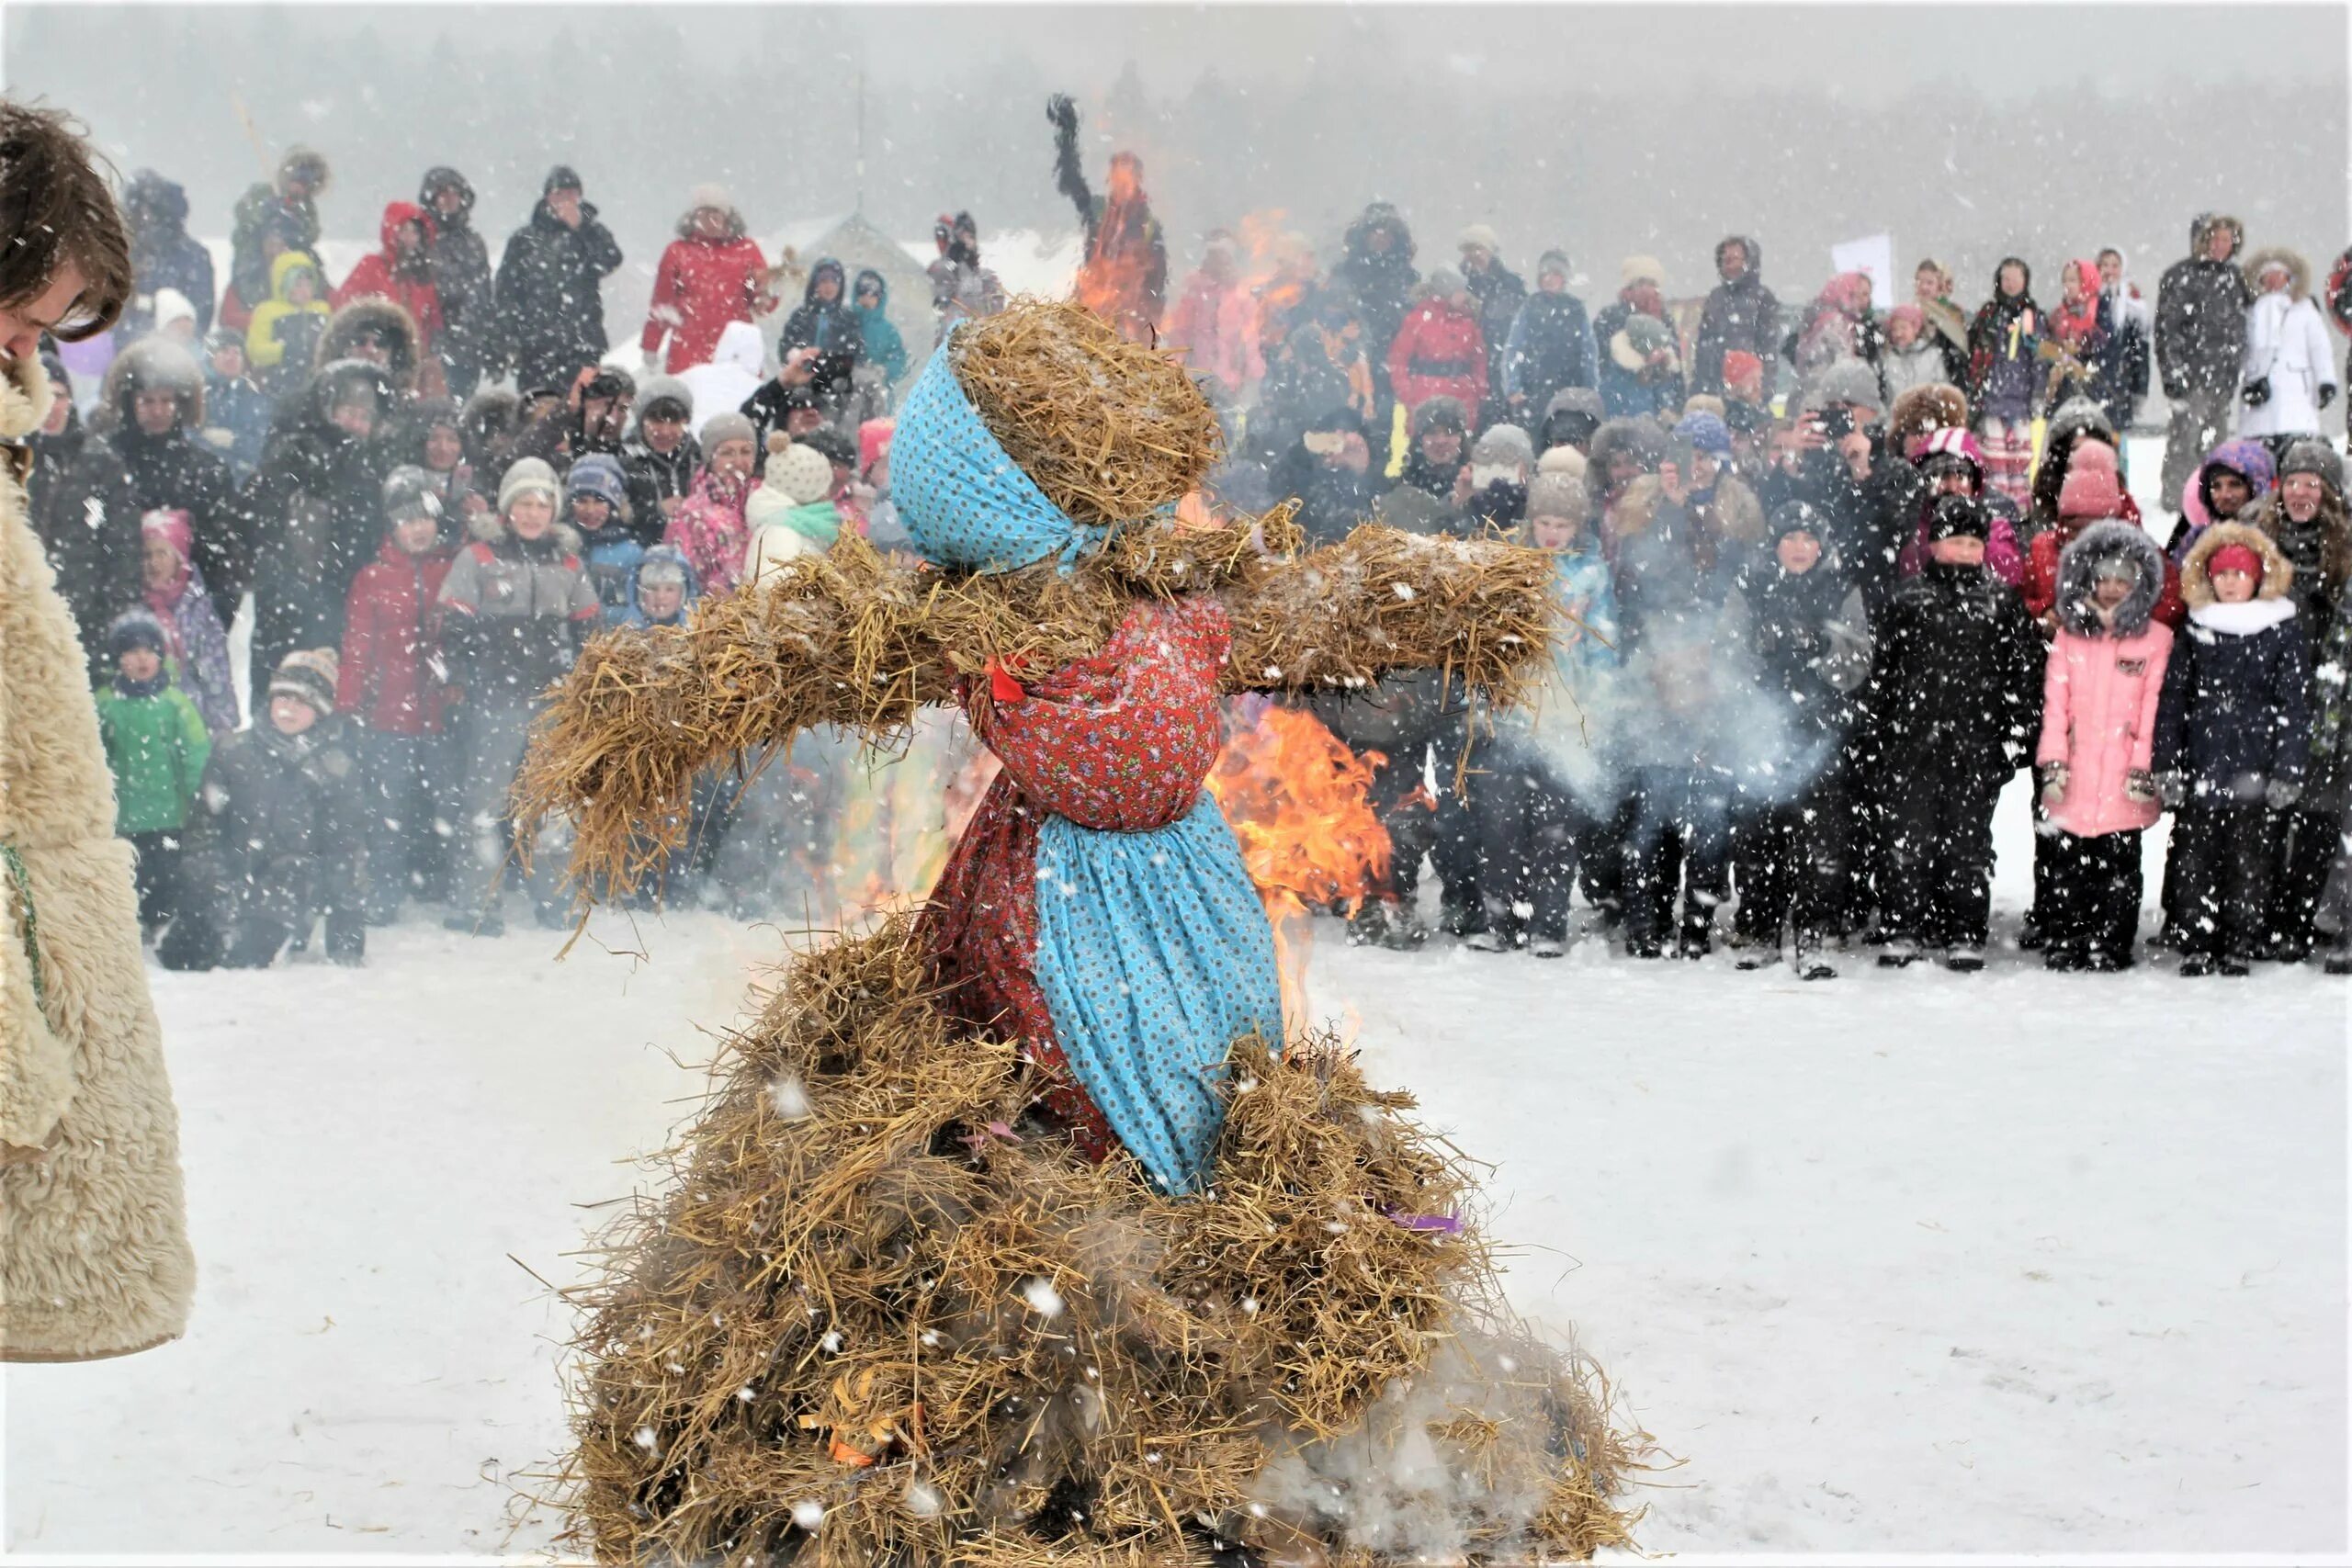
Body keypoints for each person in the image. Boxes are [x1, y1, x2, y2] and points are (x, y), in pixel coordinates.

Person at [1853, 494, 2042, 970]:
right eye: (1955, 542)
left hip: (1976, 748)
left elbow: (2023, 675)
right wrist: (1877, 731)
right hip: (1911, 743)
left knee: (1968, 844)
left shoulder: (2001, 603)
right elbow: (1882, 674)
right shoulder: (1906, 600)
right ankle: (1905, 925)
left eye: (1973, 543)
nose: (1965, 551)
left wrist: (2014, 737)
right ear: (1934, 546)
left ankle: (1964, 928)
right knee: (1907, 841)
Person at [436, 457, 598, 934]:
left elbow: (589, 626)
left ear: (554, 512)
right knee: (484, 805)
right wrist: (467, 676)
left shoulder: (568, 562)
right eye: (523, 504)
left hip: (552, 700)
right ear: (507, 508)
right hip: (495, 699)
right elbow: (453, 625)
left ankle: (555, 901)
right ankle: (477, 904)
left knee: (551, 804)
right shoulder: (479, 557)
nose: (532, 514)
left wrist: (582, 681)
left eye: (541, 505)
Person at [1467, 469, 1618, 956]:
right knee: (1500, 824)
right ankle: (1500, 922)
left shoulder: (1591, 575)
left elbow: (1602, 645)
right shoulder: (1506, 563)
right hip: (1510, 716)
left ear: (1578, 526)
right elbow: (1479, 640)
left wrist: (1597, 706)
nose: (1553, 533)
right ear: (1532, 520)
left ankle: (1548, 925)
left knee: (1555, 827)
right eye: (1545, 521)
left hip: (1562, 719)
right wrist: (1481, 701)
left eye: (1563, 524)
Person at [2154, 525, 2308, 976]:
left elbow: (2294, 705)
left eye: (2240, 574)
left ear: (2258, 578)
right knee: (2194, 856)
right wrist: (2167, 765)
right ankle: (2198, 936)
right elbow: (2173, 702)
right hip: (2203, 760)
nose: (2230, 582)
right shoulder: (2196, 627)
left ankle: (2241, 937)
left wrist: (2288, 768)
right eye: (2222, 574)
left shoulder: (2280, 629)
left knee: (2250, 858)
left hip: (2255, 766)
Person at [1726, 501, 1870, 978]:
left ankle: (1817, 934)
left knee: (1821, 839)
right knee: (1756, 836)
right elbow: (1727, 653)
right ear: (1775, 543)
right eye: (1789, 538)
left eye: (1808, 539)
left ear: (1822, 545)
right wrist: (1759, 655)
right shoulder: (1750, 585)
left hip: (1821, 733)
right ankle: (1759, 928)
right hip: (1760, 730)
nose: (1798, 548)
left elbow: (1857, 663)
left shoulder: (1841, 589)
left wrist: (1820, 651)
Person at [162, 648, 368, 970]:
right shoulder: (233, 751)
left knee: (246, 956)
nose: (289, 709)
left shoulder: (335, 768)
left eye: (301, 703)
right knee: (184, 956)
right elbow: (204, 827)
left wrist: (347, 936)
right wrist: (209, 878)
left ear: (321, 710)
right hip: (229, 870)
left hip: (290, 883)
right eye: (283, 699)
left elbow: (345, 850)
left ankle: (273, 933)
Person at [2034, 522, 2175, 971]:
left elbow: (2154, 711)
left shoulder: (2156, 640)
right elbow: (2056, 705)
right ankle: (2068, 936)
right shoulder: (2070, 636)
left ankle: (2112, 941)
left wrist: (2142, 768)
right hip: (2075, 772)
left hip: (2122, 776)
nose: (2112, 588)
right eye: (2104, 578)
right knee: (2069, 863)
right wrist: (2053, 762)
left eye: (2123, 579)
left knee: (2120, 865)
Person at [2245, 439, 2352, 959]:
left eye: (2313, 483)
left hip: (2329, 699)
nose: (2301, 492)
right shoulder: (2257, 538)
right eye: (2293, 482)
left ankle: (2304, 918)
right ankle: (2262, 915)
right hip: (2269, 697)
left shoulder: (2346, 549)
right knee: (2266, 815)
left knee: (2317, 816)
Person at [339, 466, 456, 921]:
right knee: (389, 808)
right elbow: (356, 647)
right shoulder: (372, 577)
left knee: (446, 801)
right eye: (407, 519)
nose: (418, 527)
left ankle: (444, 882)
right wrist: (349, 704)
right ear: (392, 525)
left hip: (443, 712)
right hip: (389, 714)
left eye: (425, 516)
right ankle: (385, 889)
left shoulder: (454, 568)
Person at [243, 356, 399, 690]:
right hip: (292, 590)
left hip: (346, 592)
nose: (355, 423)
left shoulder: (374, 464)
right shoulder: (294, 452)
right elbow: (264, 518)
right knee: (280, 677)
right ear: (328, 410)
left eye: (364, 417)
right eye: (349, 412)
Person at [103, 335, 247, 620]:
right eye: (147, 401)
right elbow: (88, 535)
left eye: (166, 401)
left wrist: (212, 618)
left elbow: (225, 556)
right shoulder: (103, 464)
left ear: (182, 404)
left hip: (189, 622)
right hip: (115, 616)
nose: (157, 411)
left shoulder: (208, 471)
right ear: (129, 402)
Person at [24, 346, 142, 680]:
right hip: (18, 610)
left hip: (82, 614)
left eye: (58, 395)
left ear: (71, 400)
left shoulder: (100, 462)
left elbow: (122, 544)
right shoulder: (12, 459)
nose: (51, 405)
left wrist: (117, 608)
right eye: (40, 395)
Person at [93, 610, 210, 940]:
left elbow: (195, 752)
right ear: (118, 659)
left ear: (161, 656)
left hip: (167, 813)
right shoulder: (106, 705)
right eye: (131, 652)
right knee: (126, 872)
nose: (141, 659)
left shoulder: (175, 704)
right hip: (123, 815)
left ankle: (160, 921)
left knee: (164, 871)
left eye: (149, 651)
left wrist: (196, 794)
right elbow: (94, 754)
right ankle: (128, 924)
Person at [495, 166, 625, 394]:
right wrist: (510, 338)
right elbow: (506, 291)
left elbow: (610, 260)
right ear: (547, 197)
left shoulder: (593, 231)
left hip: (582, 343)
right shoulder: (524, 239)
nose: (564, 201)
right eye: (558, 194)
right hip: (535, 348)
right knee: (536, 414)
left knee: (582, 411)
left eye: (571, 194)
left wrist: (581, 229)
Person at [1047, 94, 1167, 341]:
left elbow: (1157, 283)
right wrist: (1067, 135)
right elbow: (1070, 181)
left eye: (1127, 178)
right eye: (1116, 177)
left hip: (1128, 324)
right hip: (1091, 314)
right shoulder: (1098, 211)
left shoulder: (1149, 226)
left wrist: (1146, 326)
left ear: (1138, 179)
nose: (1121, 185)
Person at [2156, 214, 2252, 517]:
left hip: (2222, 378)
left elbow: (2244, 324)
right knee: (2184, 443)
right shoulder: (2180, 276)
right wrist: (2173, 374)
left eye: (2227, 240)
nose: (2221, 246)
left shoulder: (2236, 279)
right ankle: (2176, 506)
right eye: (2215, 239)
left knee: (2217, 445)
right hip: (2191, 377)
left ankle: (2214, 503)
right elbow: (2167, 329)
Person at [135, 508, 235, 735]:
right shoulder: (134, 606)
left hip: (189, 722)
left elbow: (216, 672)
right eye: (147, 555)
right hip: (141, 722)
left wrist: (222, 724)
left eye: (163, 554)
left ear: (180, 559)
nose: (154, 563)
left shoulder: (198, 609)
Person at [1895, 427, 2025, 587]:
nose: (1951, 486)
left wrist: (1977, 534)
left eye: (1961, 476)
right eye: (1939, 477)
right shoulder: (1911, 527)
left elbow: (2011, 576)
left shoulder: (1996, 527)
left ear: (1974, 481)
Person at [2234, 247, 2338, 447]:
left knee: (2296, 450)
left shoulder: (2305, 309)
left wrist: (2326, 381)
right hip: (2259, 397)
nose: (2274, 281)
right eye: (2268, 276)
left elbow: (2320, 348)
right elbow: (2240, 351)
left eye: (2279, 276)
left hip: (2297, 393)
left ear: (2289, 279)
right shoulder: (2250, 312)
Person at [223, 145, 328, 335]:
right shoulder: (263, 192)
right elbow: (243, 215)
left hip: (291, 269)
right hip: (257, 266)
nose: (299, 186)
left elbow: (310, 234)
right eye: (296, 179)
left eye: (305, 183)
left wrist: (295, 223)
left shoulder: (307, 208)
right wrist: (265, 212)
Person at [1964, 257, 2041, 513]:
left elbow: (2040, 358)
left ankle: (2020, 507)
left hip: (2020, 399)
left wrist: (2038, 392)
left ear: (2025, 281)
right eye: (2006, 278)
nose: (2010, 284)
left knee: (2020, 459)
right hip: (1992, 397)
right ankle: (1996, 507)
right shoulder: (1989, 314)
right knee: (1995, 458)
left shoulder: (2032, 315)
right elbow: (1975, 350)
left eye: (2016, 278)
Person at [334, 200, 445, 364]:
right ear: (391, 232)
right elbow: (342, 309)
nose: (410, 238)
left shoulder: (422, 277)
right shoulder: (371, 266)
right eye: (404, 230)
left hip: (414, 362)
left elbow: (433, 323)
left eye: (415, 232)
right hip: (373, 354)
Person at [418, 167, 496, 399]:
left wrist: (490, 342)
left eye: (454, 193)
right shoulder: (422, 240)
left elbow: (483, 295)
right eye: (442, 193)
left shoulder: (473, 242)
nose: (449, 199)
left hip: (468, 348)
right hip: (431, 346)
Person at [662, 411, 758, 597]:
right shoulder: (690, 514)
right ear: (710, 458)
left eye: (745, 451)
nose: (738, 461)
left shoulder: (767, 499)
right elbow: (683, 581)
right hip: (716, 617)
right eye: (727, 453)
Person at [1337, 201, 1419, 417]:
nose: (1380, 237)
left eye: (1387, 232)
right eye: (1375, 231)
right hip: (1352, 360)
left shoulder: (1407, 276)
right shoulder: (1345, 273)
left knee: (1386, 425)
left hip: (1392, 361)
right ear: (1364, 235)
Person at [1162, 235, 1263, 405]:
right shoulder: (1195, 287)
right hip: (1197, 376)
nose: (1221, 263)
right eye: (1215, 256)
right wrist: (1174, 366)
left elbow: (1250, 339)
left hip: (1229, 381)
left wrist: (1253, 375)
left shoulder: (1241, 294)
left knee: (1225, 422)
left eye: (1225, 258)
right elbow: (1181, 330)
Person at [119, 170, 214, 344]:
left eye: (144, 212)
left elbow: (200, 313)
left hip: (172, 352)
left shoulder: (189, 255)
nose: (141, 218)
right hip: (135, 350)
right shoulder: (124, 251)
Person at [1502, 250, 1596, 425]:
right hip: (1534, 393)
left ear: (1564, 278)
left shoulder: (1576, 309)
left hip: (1570, 393)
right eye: (1545, 274)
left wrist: (1589, 392)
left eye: (1555, 274)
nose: (1549, 279)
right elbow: (1513, 349)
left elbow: (1588, 353)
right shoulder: (1529, 307)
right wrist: (1514, 388)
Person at [1385, 270, 1487, 424]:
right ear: (1447, 293)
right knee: (1426, 438)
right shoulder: (1417, 320)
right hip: (1425, 393)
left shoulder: (1468, 321)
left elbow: (1479, 359)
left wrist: (1478, 389)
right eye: (1460, 291)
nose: (1464, 295)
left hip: (1463, 396)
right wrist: (1407, 393)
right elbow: (1398, 358)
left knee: (1460, 442)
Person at [741, 436, 842, 590]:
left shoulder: (797, 527)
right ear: (808, 490)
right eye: (824, 486)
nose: (828, 494)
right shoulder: (780, 535)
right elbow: (781, 595)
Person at [1690, 235, 1781, 400]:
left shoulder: (1763, 298)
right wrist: (1699, 388)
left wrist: (1764, 390)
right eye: (1724, 261)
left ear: (1749, 261)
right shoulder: (1715, 298)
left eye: (1734, 259)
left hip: (1748, 390)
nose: (1728, 265)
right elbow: (1703, 349)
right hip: (1714, 391)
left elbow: (1768, 347)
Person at [1594, 257, 1683, 419]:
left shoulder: (1665, 319)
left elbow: (1676, 369)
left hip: (1658, 407)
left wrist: (1677, 404)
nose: (1647, 289)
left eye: (1652, 283)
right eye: (1641, 283)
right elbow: (1601, 363)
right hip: (1620, 403)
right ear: (1629, 287)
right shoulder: (1610, 318)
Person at [561, 453, 641, 621]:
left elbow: (638, 610)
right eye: (582, 501)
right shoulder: (559, 546)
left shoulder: (631, 554)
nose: (590, 510)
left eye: (599, 500)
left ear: (614, 505)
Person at [620, 378, 699, 546]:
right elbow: (613, 514)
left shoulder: (699, 458)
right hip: (639, 552)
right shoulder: (625, 460)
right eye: (656, 421)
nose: (665, 431)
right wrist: (657, 511)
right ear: (642, 422)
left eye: (674, 421)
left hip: (696, 552)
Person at [2168, 436, 2276, 560]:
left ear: (2255, 488)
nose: (2225, 494)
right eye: (2216, 486)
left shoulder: (2275, 537)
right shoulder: (2196, 540)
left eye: (2235, 484)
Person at [1457, 224, 1526, 414]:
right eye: (1469, 249)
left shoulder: (1511, 285)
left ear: (1491, 251)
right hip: (1465, 367)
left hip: (1499, 366)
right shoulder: (1456, 284)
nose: (1474, 254)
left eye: (1479, 248)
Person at [242, 250, 333, 393]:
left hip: (318, 385)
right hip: (279, 385)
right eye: (298, 285)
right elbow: (255, 351)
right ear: (283, 284)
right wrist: (285, 350)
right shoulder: (267, 311)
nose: (304, 291)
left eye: (308, 285)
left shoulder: (322, 309)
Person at [2090, 246, 2152, 450]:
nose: (2109, 271)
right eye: (2104, 265)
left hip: (2120, 387)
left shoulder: (2133, 305)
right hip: (2092, 383)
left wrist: (2139, 388)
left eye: (2114, 265)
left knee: (2117, 445)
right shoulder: (2089, 300)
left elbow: (2140, 352)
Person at [1788, 271, 1881, 408]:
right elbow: (1843, 366)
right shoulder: (1835, 323)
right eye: (1863, 293)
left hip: (1815, 397)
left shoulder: (1822, 318)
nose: (1867, 300)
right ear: (1848, 293)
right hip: (1827, 400)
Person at [197, 328, 271, 480]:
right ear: (210, 356)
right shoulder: (196, 393)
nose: (231, 357)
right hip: (205, 478)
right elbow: (190, 437)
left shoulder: (254, 396)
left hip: (247, 480)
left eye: (237, 352)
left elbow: (264, 443)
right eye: (224, 351)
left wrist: (234, 441)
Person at [676, 319, 767, 441]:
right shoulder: (762, 390)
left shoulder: (695, 375)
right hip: (743, 451)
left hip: (695, 447)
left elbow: (669, 393)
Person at [925, 211, 1008, 343]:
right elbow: (941, 298)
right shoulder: (940, 270)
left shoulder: (987, 278)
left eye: (970, 236)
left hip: (983, 343)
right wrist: (953, 261)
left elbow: (998, 312)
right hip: (954, 345)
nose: (968, 242)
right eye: (964, 236)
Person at [1395, 396, 1469, 501]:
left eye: (1449, 432)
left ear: (1462, 438)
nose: (1440, 441)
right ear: (1419, 440)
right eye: (1432, 432)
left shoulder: (1476, 485)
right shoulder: (1401, 487)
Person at [1913, 257, 1972, 387]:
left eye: (1929, 283)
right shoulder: (1911, 313)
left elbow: (1962, 346)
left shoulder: (1954, 313)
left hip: (1953, 377)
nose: (1924, 287)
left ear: (1940, 285)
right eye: (1919, 282)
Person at [850, 268, 908, 397]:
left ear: (880, 297)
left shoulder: (888, 330)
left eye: (873, 294)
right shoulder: (847, 321)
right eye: (863, 293)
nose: (867, 298)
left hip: (879, 392)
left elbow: (898, 358)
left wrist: (884, 371)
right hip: (850, 389)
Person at [1877, 306, 1946, 405]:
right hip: (1896, 417)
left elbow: (1943, 390)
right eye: (1894, 329)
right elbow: (1881, 397)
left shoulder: (1932, 355)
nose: (1898, 334)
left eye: (1903, 328)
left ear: (1916, 328)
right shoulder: (1887, 358)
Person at [621, 543, 699, 630]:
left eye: (669, 589)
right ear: (639, 594)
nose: (660, 596)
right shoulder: (628, 633)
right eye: (653, 588)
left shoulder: (695, 632)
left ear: (683, 594)